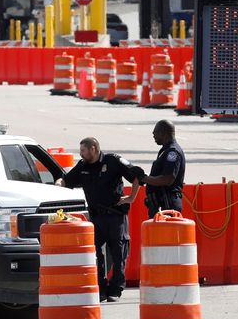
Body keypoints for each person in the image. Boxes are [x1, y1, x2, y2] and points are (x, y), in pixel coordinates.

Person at [57, 137, 143, 302]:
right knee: (94, 254)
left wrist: (131, 197)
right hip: (96, 218)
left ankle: (116, 289)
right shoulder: (83, 166)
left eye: (83, 150)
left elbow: (137, 175)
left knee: (119, 253)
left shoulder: (112, 161)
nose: (81, 154)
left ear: (93, 148)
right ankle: (101, 289)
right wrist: (59, 184)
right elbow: (66, 179)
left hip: (115, 216)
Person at [141, 120, 186, 218]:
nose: (153, 135)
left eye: (155, 132)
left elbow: (168, 179)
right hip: (161, 204)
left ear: (164, 133)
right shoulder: (165, 150)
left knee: (167, 233)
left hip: (167, 205)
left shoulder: (172, 152)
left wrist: (144, 178)